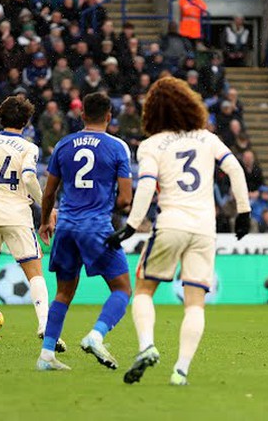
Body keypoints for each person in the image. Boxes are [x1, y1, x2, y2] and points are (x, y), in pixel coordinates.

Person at [109, 77, 251, 386]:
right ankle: (181, 370)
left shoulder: (151, 145)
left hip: (171, 223)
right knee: (195, 303)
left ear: (153, 112)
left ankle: (146, 346)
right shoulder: (207, 138)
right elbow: (236, 169)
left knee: (144, 290)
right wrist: (244, 212)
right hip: (204, 230)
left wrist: (132, 225)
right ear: (190, 104)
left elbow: (146, 185)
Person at [35, 92, 135, 371]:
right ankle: (96, 335)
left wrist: (45, 221)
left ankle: (46, 356)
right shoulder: (117, 147)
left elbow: (49, 192)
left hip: (65, 225)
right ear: (109, 116)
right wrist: (105, 209)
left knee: (63, 293)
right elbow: (126, 199)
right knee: (122, 289)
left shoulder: (64, 145)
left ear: (81, 116)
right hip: (96, 226)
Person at [0, 96, 61, 356]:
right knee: (35, 274)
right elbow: (29, 178)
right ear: (27, 121)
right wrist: (47, 209)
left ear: (0, 118)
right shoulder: (28, 147)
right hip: (17, 216)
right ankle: (44, 326)